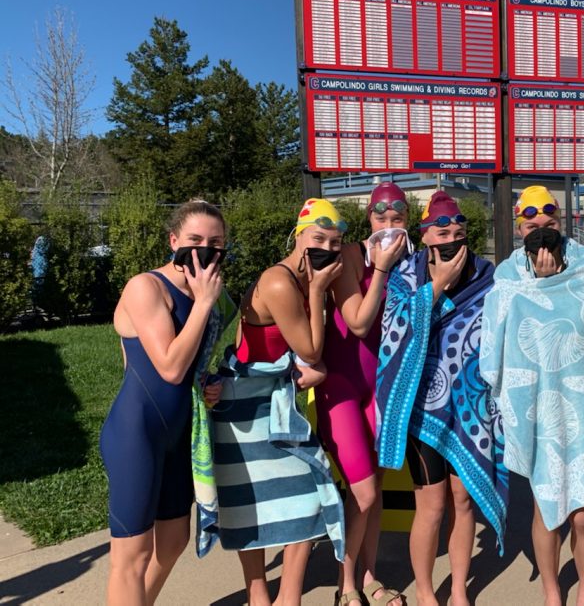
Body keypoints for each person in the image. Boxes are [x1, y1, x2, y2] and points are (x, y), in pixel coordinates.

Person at [211, 198, 347, 606]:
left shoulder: (307, 277)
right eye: (318, 237)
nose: (326, 247)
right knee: (249, 505)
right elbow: (310, 349)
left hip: (275, 401)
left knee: (305, 497)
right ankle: (258, 594)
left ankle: (289, 597)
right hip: (243, 408)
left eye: (335, 242)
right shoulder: (279, 282)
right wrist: (321, 291)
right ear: (298, 236)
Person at [376, 191, 507, 606]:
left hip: (469, 407)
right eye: (441, 229)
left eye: (457, 229)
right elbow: (392, 330)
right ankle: (428, 591)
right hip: (422, 411)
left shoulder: (486, 276)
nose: (450, 236)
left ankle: (458, 590)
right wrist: (438, 286)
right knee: (431, 505)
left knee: (463, 500)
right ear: (425, 235)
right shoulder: (406, 276)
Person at [481, 186, 584, 606]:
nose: (542, 233)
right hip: (531, 404)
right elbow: (495, 336)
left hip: (581, 398)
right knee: (544, 504)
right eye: (532, 226)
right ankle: (553, 591)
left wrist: (553, 285)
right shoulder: (507, 275)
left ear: (561, 223)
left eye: (550, 225)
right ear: (519, 228)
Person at [100, 200, 228, 604]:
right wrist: (205, 302)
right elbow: (170, 367)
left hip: (178, 433)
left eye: (215, 242)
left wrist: (209, 382)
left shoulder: (204, 291)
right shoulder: (146, 287)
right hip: (137, 431)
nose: (204, 248)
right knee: (131, 556)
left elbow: (188, 369)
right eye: (194, 239)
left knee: (173, 542)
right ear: (174, 240)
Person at [321, 182, 410, 606]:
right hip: (341, 388)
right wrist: (382, 269)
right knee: (364, 492)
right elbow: (357, 322)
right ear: (368, 219)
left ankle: (370, 575)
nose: (388, 227)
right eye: (381, 218)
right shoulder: (351, 257)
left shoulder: (413, 263)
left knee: (374, 491)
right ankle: (347, 583)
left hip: (381, 388)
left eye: (397, 219)